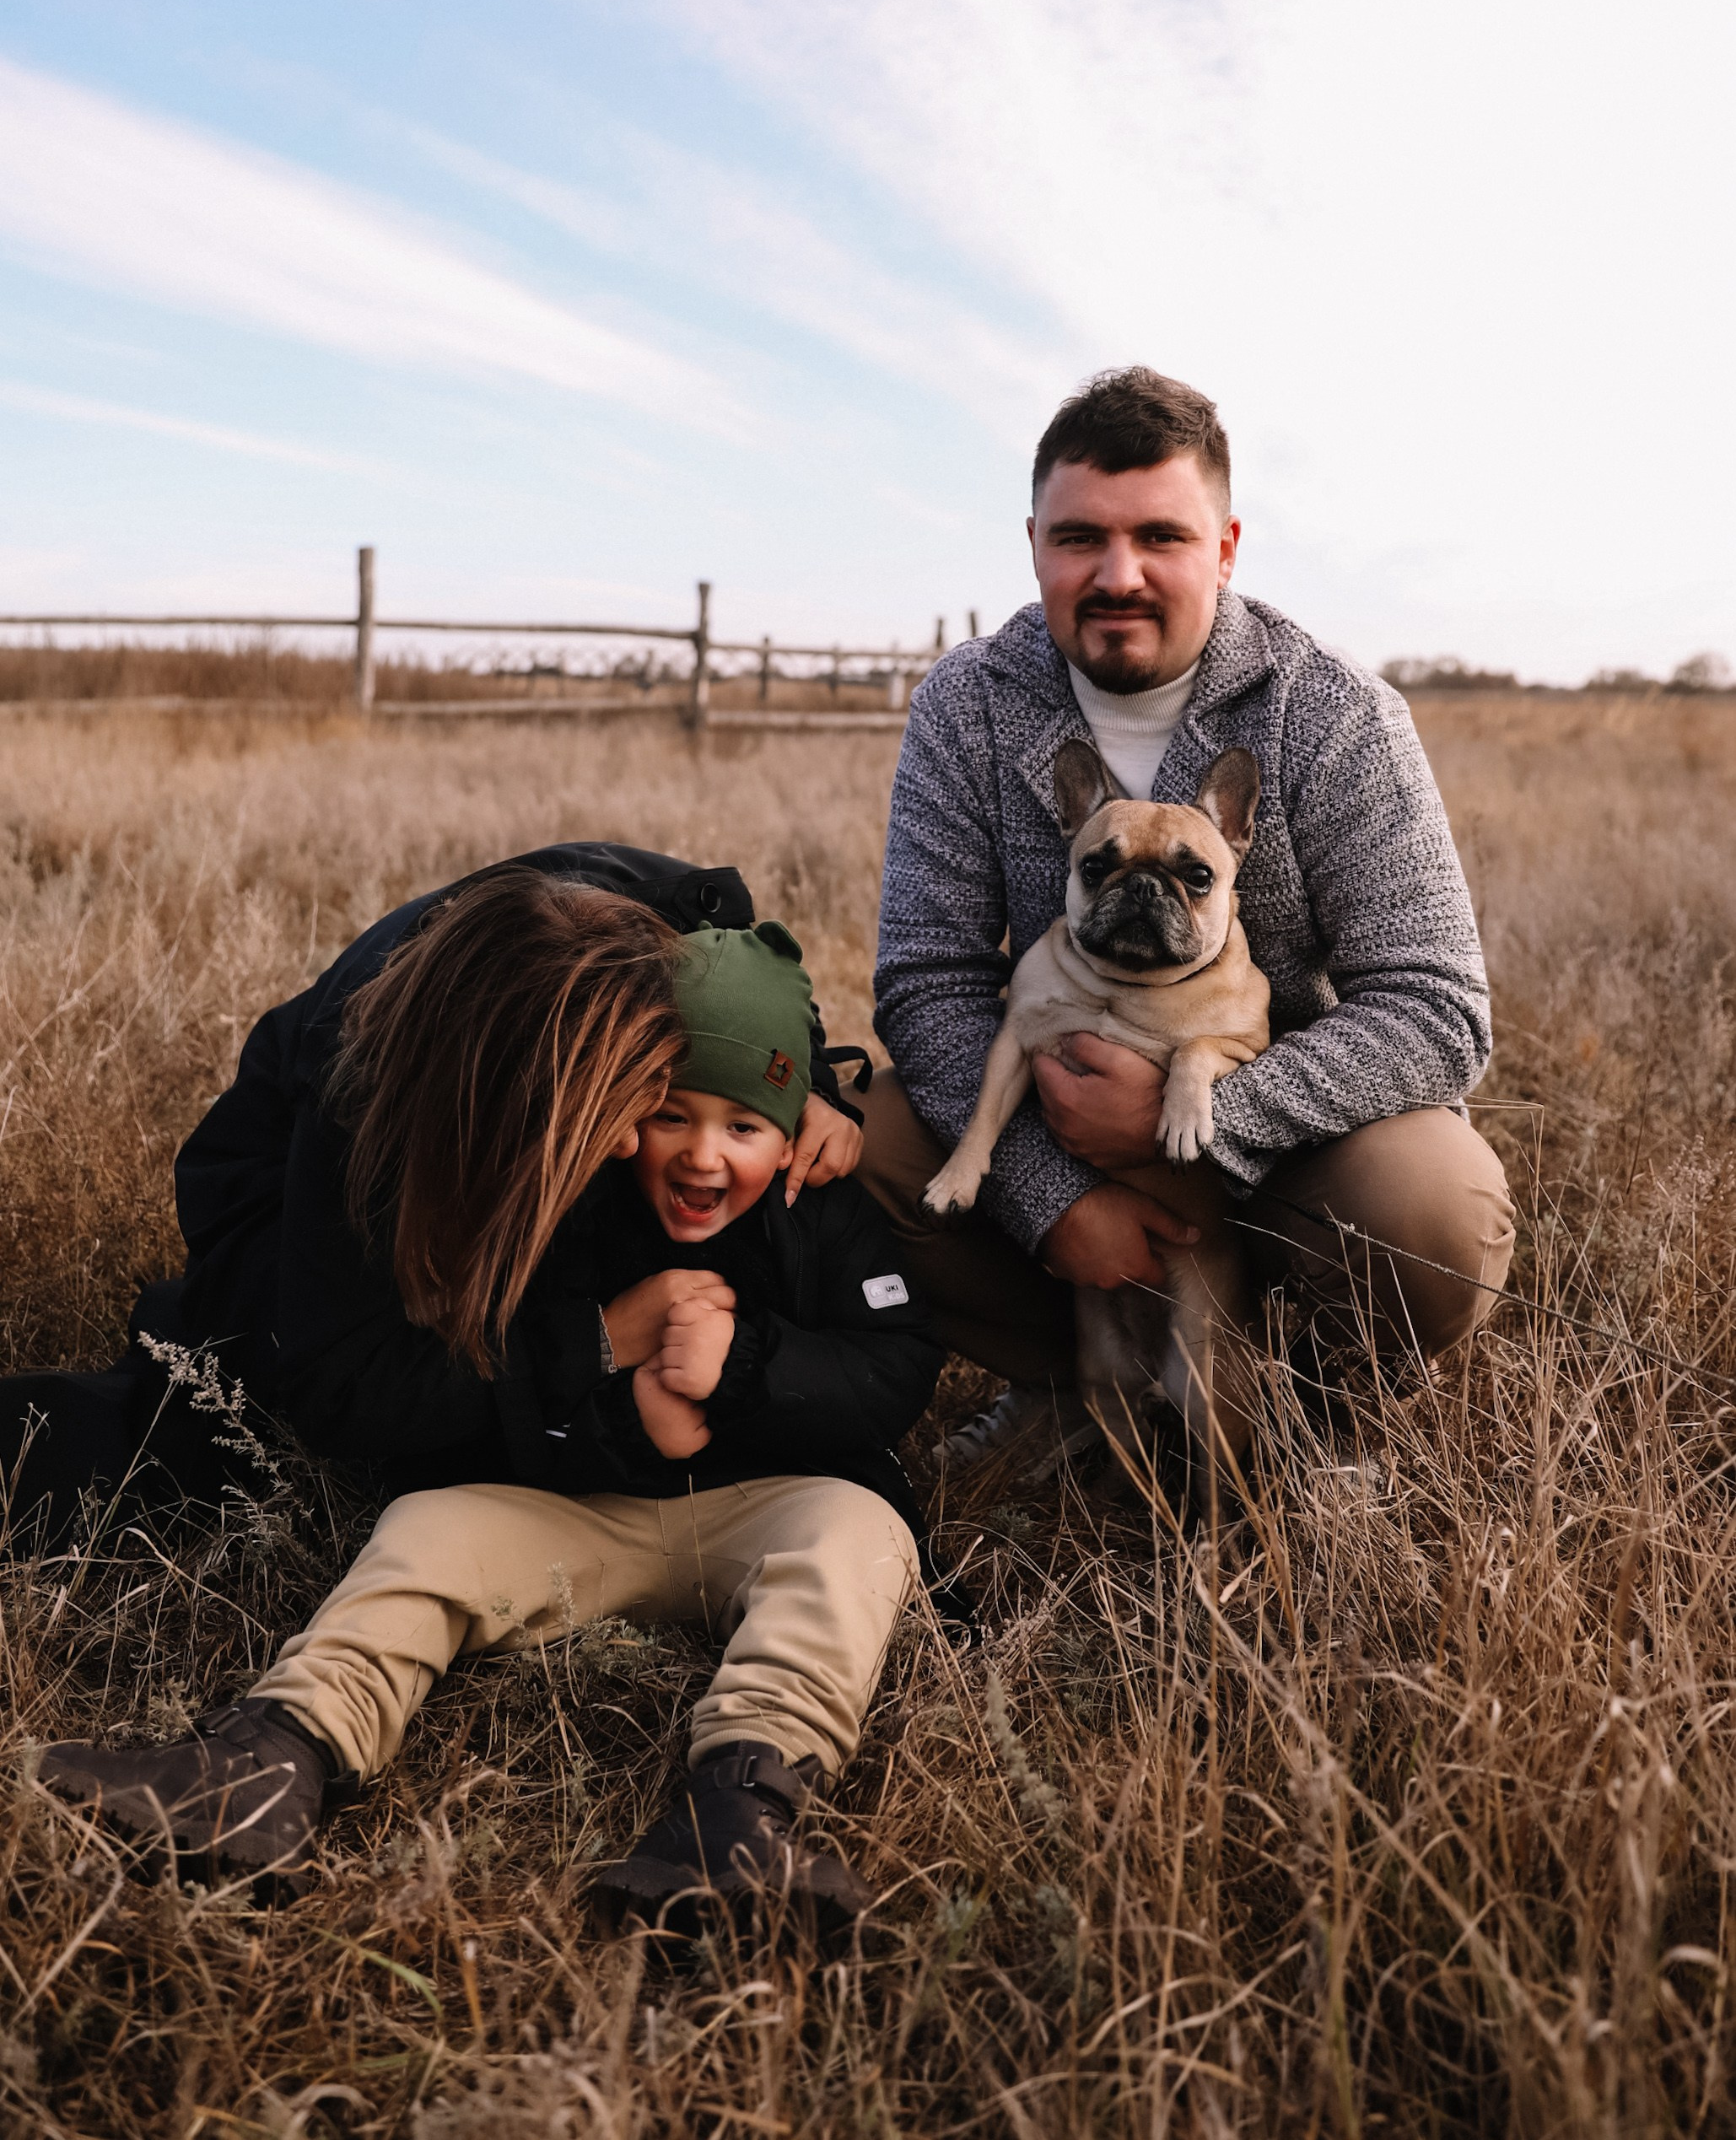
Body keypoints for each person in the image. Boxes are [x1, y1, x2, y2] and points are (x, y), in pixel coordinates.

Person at [40, 921, 941, 1936]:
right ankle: (273, 1753)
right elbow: (503, 1364)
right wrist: (615, 1390)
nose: (700, 1153)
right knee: (430, 1532)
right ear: (622, 1111)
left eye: (743, 1127)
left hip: (767, 1503)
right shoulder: (572, 1201)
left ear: (797, 1127)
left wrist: (748, 1369)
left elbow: (897, 1365)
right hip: (570, 1511)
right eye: (670, 1117)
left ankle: (743, 1805)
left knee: (857, 1541)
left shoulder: (827, 1211)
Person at [864, 365, 1515, 1470]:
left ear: (1224, 546)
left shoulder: (1330, 710)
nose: (1117, 573)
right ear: (1032, 542)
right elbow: (927, 981)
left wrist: (1211, 1118)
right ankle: (1067, 1382)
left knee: (1433, 1204)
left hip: (1285, 1147)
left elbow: (1438, 1009)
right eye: (1080, 537)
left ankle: (1316, 1399)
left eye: (1159, 535)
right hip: (1054, 1119)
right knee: (853, 1141)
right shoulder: (968, 702)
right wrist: (1050, 1190)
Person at [1, 844, 865, 1540]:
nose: (638, 1140)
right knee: (261, 1438)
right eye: (610, 1112)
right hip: (285, 1181)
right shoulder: (361, 1121)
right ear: (510, 1114)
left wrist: (808, 1086)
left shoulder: (669, 924)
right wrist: (597, 1340)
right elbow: (348, 1388)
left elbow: (764, 998)